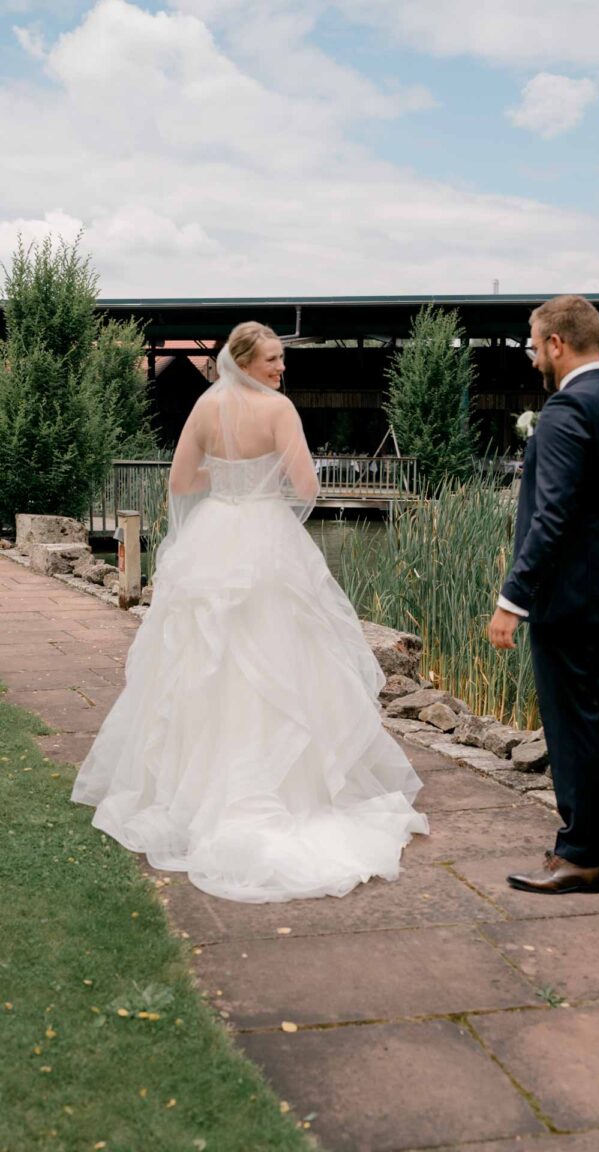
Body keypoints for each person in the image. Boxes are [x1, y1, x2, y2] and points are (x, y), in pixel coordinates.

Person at [72, 322, 428, 903]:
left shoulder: (205, 410)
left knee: (211, 657)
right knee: (277, 653)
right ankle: (285, 789)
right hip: (265, 535)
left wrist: (229, 476)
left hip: (213, 534)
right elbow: (306, 484)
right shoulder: (279, 410)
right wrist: (261, 476)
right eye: (271, 359)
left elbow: (183, 481)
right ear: (244, 360)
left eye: (281, 359)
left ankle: (197, 788)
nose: (280, 368)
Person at [488, 295, 599, 895]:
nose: (534, 357)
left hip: (567, 600)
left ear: (557, 343)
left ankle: (580, 853)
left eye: (535, 345)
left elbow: (550, 517)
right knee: (595, 716)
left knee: (570, 722)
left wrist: (513, 599)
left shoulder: (565, 411)